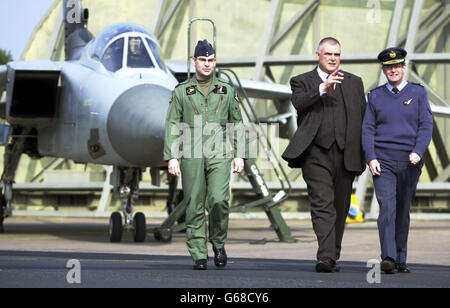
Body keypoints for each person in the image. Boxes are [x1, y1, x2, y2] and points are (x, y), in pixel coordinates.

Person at [282, 37, 367, 273]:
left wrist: (365, 154)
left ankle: (333, 254)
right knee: (322, 204)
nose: (333, 58)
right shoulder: (302, 81)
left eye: (337, 55)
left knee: (340, 207)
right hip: (315, 154)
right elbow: (299, 103)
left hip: (346, 154)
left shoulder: (354, 83)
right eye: (328, 54)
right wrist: (323, 87)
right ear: (317, 55)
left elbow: (363, 119)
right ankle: (326, 257)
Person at [164, 40, 246, 270]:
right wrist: (172, 156)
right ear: (194, 62)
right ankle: (199, 254)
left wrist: (240, 155)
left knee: (219, 200)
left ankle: (218, 243)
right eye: (203, 60)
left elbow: (237, 123)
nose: (207, 64)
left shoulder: (227, 91)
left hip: (220, 150)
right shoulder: (181, 92)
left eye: (211, 60)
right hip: (191, 151)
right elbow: (172, 123)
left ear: (215, 61)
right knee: (194, 204)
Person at [362, 48, 433, 274]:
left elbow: (426, 125)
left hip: (410, 161)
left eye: (397, 66)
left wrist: (418, 151)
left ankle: (401, 258)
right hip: (383, 161)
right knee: (387, 210)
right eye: (388, 67)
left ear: (404, 68)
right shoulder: (374, 96)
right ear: (383, 70)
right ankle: (389, 258)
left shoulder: (418, 93)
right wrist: (370, 157)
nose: (393, 70)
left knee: (402, 211)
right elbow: (367, 129)